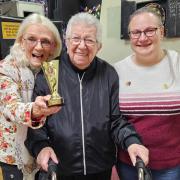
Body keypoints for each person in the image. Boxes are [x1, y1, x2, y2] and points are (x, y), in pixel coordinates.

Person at [25, 12, 149, 180]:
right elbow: (36, 122)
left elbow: (116, 120)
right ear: (66, 41)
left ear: (99, 46)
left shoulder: (109, 74)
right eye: (76, 38)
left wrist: (132, 142)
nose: (82, 46)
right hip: (58, 166)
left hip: (100, 168)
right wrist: (40, 147)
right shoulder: (49, 72)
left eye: (89, 40)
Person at [114, 6, 180, 180]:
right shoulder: (117, 71)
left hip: (171, 165)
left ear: (162, 32)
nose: (142, 38)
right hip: (129, 162)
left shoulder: (177, 64)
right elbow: (114, 118)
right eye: (136, 32)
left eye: (150, 30)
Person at [0, 13, 62, 179]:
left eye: (45, 41)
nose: (39, 47)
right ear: (21, 41)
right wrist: (35, 110)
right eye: (32, 39)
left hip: (44, 152)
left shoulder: (52, 70)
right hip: (14, 159)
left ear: (54, 46)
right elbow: (11, 108)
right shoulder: (7, 68)